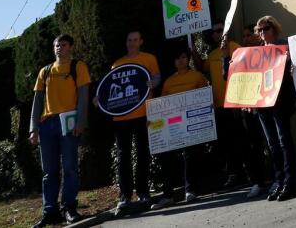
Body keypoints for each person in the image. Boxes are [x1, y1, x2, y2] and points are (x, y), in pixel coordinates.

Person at [29, 34, 89, 228]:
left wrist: (81, 122)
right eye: (56, 45)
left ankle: (69, 208)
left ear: (70, 47)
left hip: (69, 122)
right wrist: (33, 129)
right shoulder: (45, 71)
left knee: (70, 167)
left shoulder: (77, 67)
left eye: (63, 45)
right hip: (47, 125)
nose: (59, 48)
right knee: (49, 172)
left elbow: (83, 97)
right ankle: (50, 212)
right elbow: (37, 102)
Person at [207, 23, 269, 195]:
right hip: (244, 107)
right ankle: (258, 181)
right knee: (250, 144)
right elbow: (228, 75)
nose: (246, 38)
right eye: (245, 36)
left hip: (264, 105)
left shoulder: (264, 51)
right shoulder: (238, 53)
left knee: (268, 142)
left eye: (250, 35)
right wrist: (226, 56)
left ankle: (274, 178)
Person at [151, 45, 209, 209]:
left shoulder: (197, 76)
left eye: (184, 57)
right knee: (166, 157)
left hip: (191, 125)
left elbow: (205, 98)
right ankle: (168, 195)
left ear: (188, 59)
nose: (181, 61)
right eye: (178, 58)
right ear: (174, 62)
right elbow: (162, 106)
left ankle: (190, 190)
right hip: (174, 127)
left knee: (190, 155)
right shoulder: (169, 81)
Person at [110, 30, 161, 210]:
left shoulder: (149, 58)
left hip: (144, 113)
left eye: (135, 40)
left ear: (141, 41)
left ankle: (143, 192)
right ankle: (125, 194)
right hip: (121, 117)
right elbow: (109, 90)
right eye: (129, 40)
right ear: (126, 42)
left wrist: (153, 83)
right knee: (123, 156)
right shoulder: (117, 64)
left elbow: (156, 77)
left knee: (142, 153)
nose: (132, 43)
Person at [254, 15, 296, 201]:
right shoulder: (256, 53)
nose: (263, 33)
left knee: (283, 140)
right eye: (260, 30)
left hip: (281, 101)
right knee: (272, 144)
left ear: (274, 29)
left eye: (266, 29)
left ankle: (290, 182)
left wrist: (291, 65)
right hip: (263, 103)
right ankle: (279, 181)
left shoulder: (285, 46)